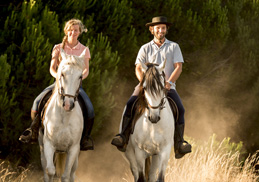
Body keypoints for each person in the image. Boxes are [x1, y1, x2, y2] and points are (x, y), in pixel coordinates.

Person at [111, 16, 192, 159]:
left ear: (166, 30)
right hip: (146, 86)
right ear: (152, 30)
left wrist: (169, 82)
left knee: (180, 109)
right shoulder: (145, 48)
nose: (161, 30)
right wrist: (144, 82)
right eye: (158, 28)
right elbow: (137, 68)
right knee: (130, 104)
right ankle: (123, 137)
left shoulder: (174, 47)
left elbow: (178, 67)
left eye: (163, 28)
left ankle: (179, 144)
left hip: (167, 87)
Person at [19, 18, 95, 150]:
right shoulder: (58, 48)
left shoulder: (84, 50)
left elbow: (86, 69)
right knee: (37, 102)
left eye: (76, 30)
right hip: (59, 83)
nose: (73, 32)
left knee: (89, 108)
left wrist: (79, 78)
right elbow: (52, 67)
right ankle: (33, 131)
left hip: (75, 85)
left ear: (80, 32)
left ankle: (86, 138)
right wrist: (58, 77)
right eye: (71, 30)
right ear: (66, 31)